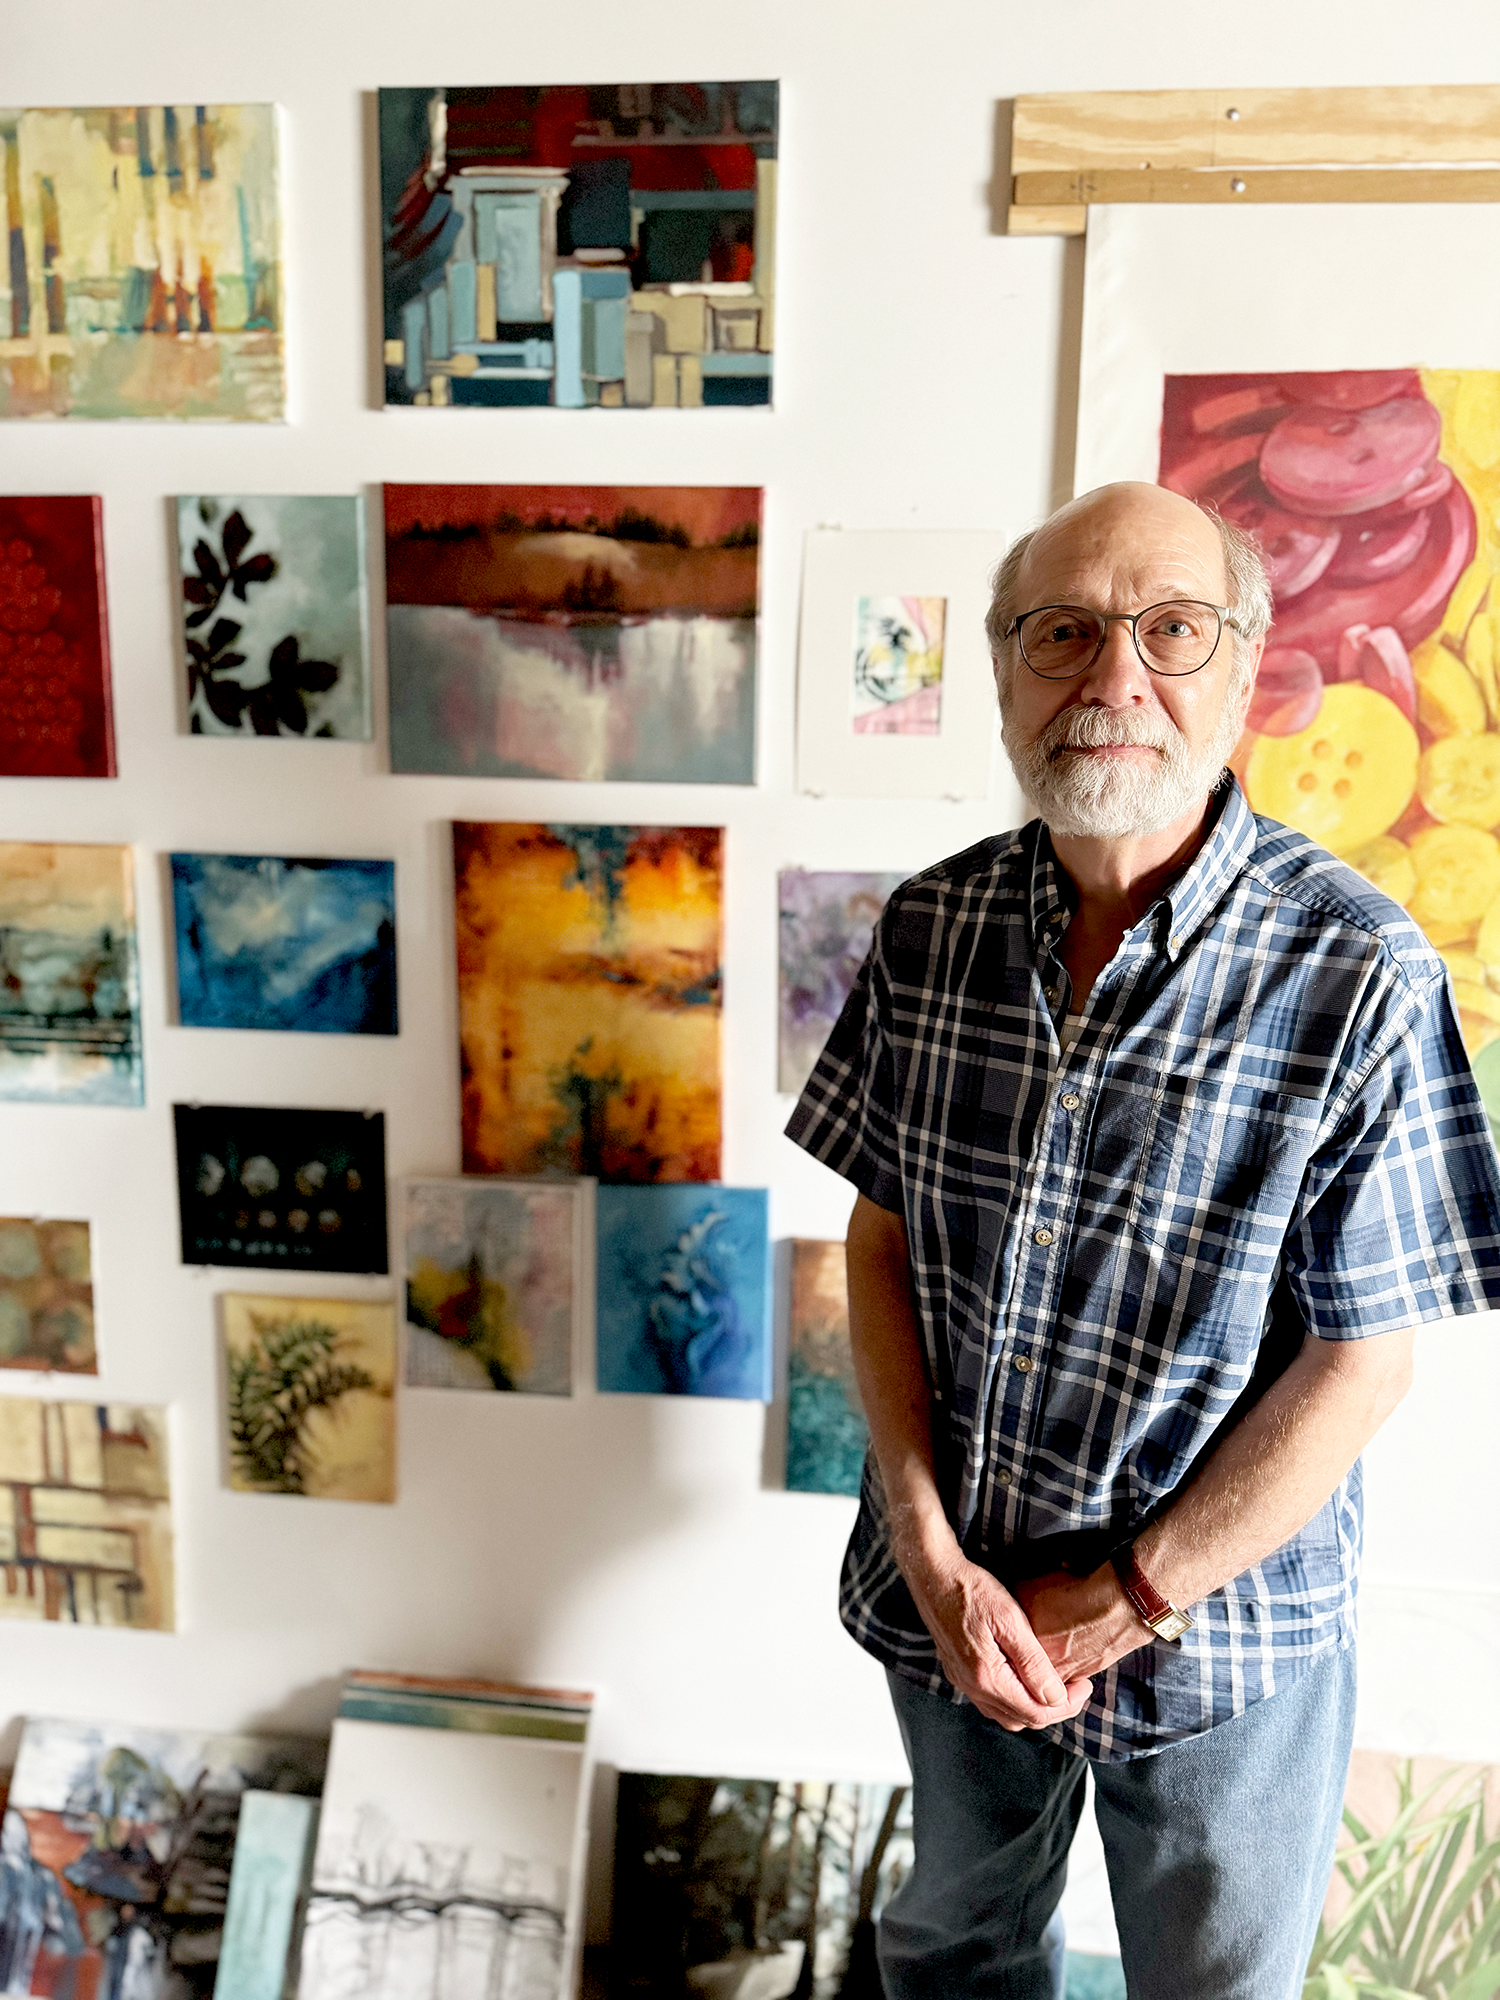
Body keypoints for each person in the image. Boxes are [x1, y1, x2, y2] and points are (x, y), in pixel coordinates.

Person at [786, 481, 1500, 2000]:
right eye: (1065, 633)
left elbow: (1364, 1366)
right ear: (1002, 674)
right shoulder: (930, 930)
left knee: (1214, 1990)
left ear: (1242, 670)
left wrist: (1128, 1598)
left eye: (1171, 631)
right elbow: (877, 1244)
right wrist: (929, 1552)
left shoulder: (1359, 971)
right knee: (953, 1953)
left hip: (1220, 1641)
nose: (1114, 677)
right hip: (957, 1608)